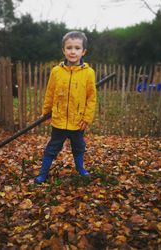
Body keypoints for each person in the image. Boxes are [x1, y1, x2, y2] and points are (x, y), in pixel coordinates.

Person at [35, 31, 96, 184]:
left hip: (78, 122)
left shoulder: (89, 73)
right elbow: (50, 93)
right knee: (52, 148)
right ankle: (43, 173)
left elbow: (91, 98)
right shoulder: (56, 72)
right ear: (63, 50)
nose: (73, 51)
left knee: (79, 147)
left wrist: (87, 118)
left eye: (77, 48)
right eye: (69, 48)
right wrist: (46, 112)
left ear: (83, 51)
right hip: (59, 121)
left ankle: (81, 169)